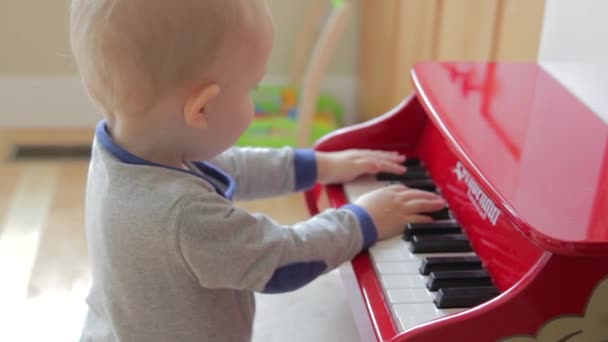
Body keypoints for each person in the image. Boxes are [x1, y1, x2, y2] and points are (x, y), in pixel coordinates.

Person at [70, 0, 446, 341]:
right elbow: (281, 260)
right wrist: (364, 220)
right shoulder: (183, 216)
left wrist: (320, 165)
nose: (254, 95)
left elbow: (228, 165)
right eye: (253, 87)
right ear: (201, 110)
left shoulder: (121, 149)